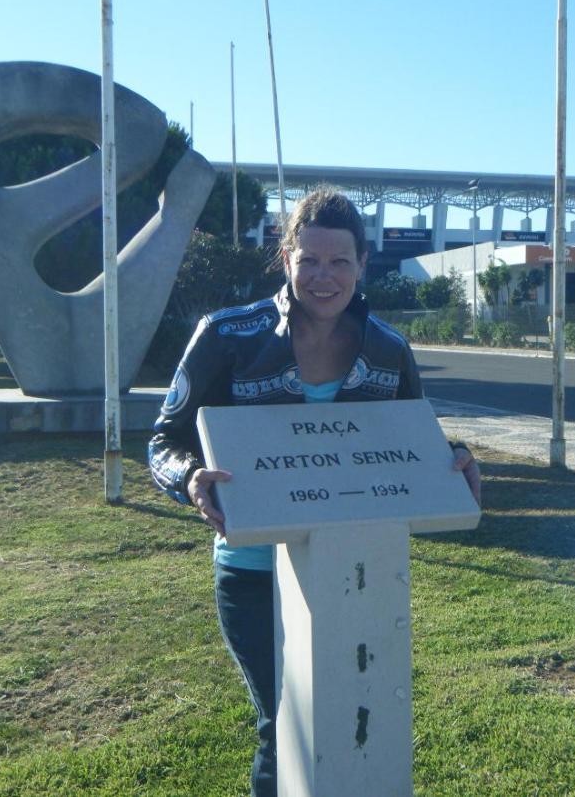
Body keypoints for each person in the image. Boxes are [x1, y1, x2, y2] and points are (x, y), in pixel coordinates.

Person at [149, 188, 480, 797]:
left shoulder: (389, 349)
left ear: (362, 265)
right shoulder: (227, 335)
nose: (324, 277)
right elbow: (164, 439)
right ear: (286, 258)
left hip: (359, 571)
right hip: (253, 571)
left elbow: (415, 438)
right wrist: (190, 479)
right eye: (310, 261)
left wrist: (454, 461)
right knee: (284, 726)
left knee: (356, 716)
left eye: (340, 262)